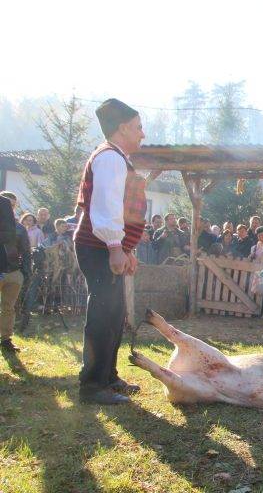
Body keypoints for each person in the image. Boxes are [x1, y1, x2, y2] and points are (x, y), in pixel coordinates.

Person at [74, 98, 147, 404]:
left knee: (114, 312)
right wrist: (116, 247)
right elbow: (105, 209)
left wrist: (126, 250)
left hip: (108, 247)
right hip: (99, 247)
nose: (142, 134)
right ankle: (92, 386)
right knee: (103, 313)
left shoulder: (116, 158)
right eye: (138, 127)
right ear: (123, 128)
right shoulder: (109, 158)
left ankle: (108, 377)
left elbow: (120, 212)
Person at [0, 192, 31, 352]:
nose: (9, 208)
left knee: (8, 307)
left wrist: (25, 273)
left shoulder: (19, 228)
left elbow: (26, 251)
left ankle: (5, 339)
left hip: (13, 272)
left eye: (12, 205)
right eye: (7, 205)